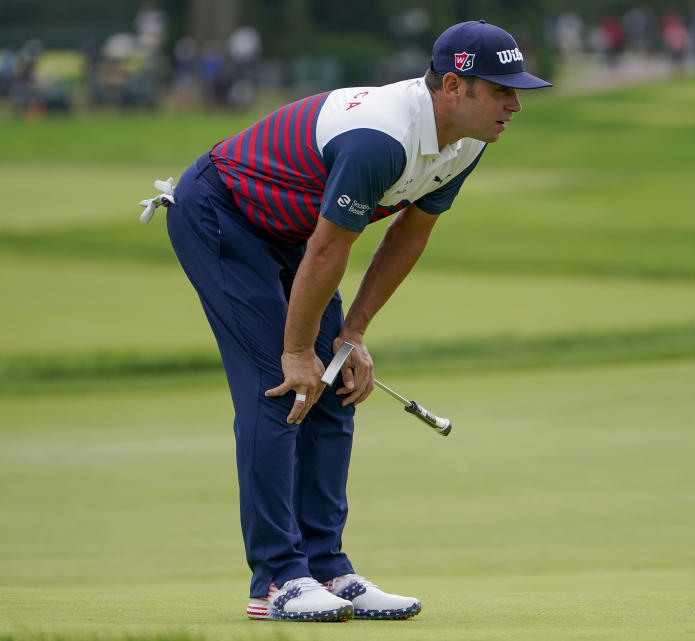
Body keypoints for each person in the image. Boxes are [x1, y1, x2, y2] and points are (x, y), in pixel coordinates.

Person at [146, 20, 550, 623]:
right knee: (282, 385)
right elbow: (330, 250)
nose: (515, 105)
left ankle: (326, 569)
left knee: (334, 382)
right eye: (501, 90)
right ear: (456, 87)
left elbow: (410, 233)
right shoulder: (380, 139)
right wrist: (295, 349)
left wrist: (352, 332)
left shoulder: (467, 142)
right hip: (223, 214)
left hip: (293, 233)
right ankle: (277, 581)